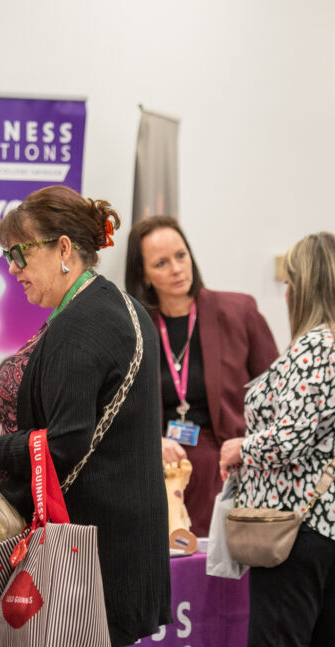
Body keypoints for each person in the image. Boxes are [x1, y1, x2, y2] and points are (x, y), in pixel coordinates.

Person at [0, 185, 171, 647]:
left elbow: (63, 445)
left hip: (86, 549)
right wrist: (4, 413)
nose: (12, 268)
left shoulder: (79, 327)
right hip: (116, 537)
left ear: (64, 249)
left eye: (19, 253)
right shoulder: (114, 304)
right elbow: (91, 407)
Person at [219, 232, 335, 647]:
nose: (286, 293)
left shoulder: (314, 347)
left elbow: (290, 440)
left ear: (304, 286)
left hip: (301, 524)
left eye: (289, 282)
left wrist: (241, 447)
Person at [125, 215, 278, 536]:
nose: (177, 268)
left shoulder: (238, 312)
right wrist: (152, 441)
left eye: (181, 256)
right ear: (144, 275)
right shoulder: (133, 328)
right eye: (161, 263)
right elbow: (119, 408)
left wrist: (252, 445)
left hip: (226, 459)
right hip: (161, 463)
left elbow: (277, 393)